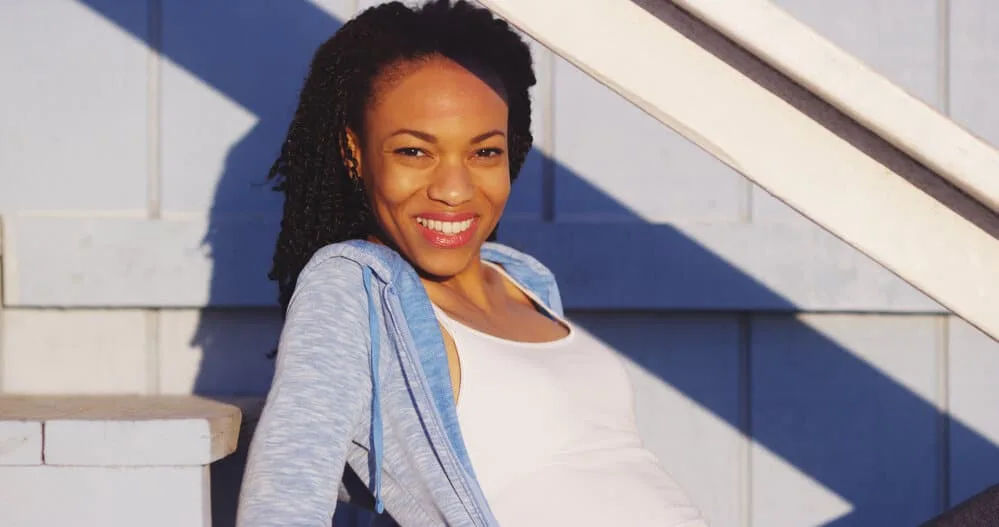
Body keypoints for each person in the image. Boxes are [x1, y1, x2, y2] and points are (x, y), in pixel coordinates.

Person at [236, 1, 708, 525]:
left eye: (484, 153)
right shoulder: (354, 287)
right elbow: (282, 502)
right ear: (355, 152)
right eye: (415, 152)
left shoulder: (524, 279)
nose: (454, 190)